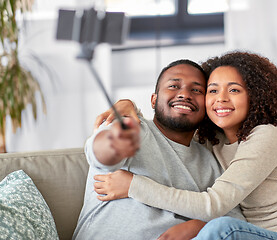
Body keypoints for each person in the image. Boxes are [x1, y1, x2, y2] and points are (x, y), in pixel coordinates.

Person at [93, 51, 277, 240]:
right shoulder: (212, 140)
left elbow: (213, 205)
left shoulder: (266, 137)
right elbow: (171, 121)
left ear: (255, 97)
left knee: (223, 230)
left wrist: (134, 185)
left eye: (235, 90)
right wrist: (128, 105)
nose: (221, 99)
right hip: (252, 235)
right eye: (212, 90)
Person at [72, 59, 244, 240]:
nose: (184, 94)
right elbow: (99, 154)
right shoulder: (132, 127)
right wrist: (113, 143)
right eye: (174, 86)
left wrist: (200, 226)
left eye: (196, 90)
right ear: (154, 100)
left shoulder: (211, 161)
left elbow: (234, 225)